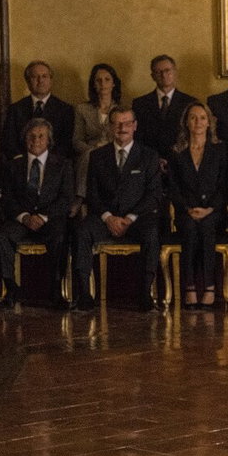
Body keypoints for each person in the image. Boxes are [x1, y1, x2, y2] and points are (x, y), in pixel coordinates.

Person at [72, 107, 163, 312]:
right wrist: (108, 218)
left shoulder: (148, 156)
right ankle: (84, 295)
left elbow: (154, 195)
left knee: (152, 233)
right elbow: (92, 194)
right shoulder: (97, 156)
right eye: (117, 123)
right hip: (105, 218)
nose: (123, 128)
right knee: (82, 231)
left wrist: (129, 218)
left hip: (137, 218)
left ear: (135, 126)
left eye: (127, 123)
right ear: (110, 127)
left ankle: (145, 294)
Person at [0, 117, 74, 310]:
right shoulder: (13, 166)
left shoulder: (63, 165)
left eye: (41, 136)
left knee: (60, 237)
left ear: (49, 140)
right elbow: (7, 198)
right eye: (31, 136)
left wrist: (43, 217)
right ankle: (11, 288)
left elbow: (66, 198)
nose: (36, 140)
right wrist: (24, 217)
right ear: (25, 139)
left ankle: (56, 290)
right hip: (22, 219)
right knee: (2, 236)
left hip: (50, 219)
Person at [168, 101, 228, 310]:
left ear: (209, 122)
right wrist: (187, 208)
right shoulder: (176, 152)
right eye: (193, 118)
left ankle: (210, 286)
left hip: (214, 212)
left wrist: (210, 209)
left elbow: (224, 185)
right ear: (186, 122)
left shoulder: (220, 150)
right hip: (186, 211)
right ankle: (190, 286)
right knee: (190, 229)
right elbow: (173, 187)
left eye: (202, 118)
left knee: (207, 227)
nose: (198, 122)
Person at [1, 60, 76, 163]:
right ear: (28, 82)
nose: (40, 80)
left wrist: (46, 161)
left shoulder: (65, 110)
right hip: (22, 165)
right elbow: (9, 142)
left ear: (51, 80)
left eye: (44, 76)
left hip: (54, 165)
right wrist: (24, 161)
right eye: (35, 77)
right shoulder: (15, 109)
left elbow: (66, 143)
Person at [72, 63, 122, 211]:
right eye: (98, 80)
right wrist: (93, 149)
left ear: (114, 83)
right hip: (89, 153)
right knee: (90, 155)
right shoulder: (82, 109)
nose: (103, 84)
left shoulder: (122, 109)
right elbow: (77, 141)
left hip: (114, 151)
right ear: (93, 84)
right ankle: (80, 197)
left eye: (107, 79)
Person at [132, 54, 195, 165]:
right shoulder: (140, 104)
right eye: (158, 72)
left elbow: (191, 136)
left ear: (175, 72)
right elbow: (137, 137)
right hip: (149, 163)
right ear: (152, 76)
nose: (164, 75)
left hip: (180, 162)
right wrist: (154, 160)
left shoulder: (190, 102)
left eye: (167, 70)